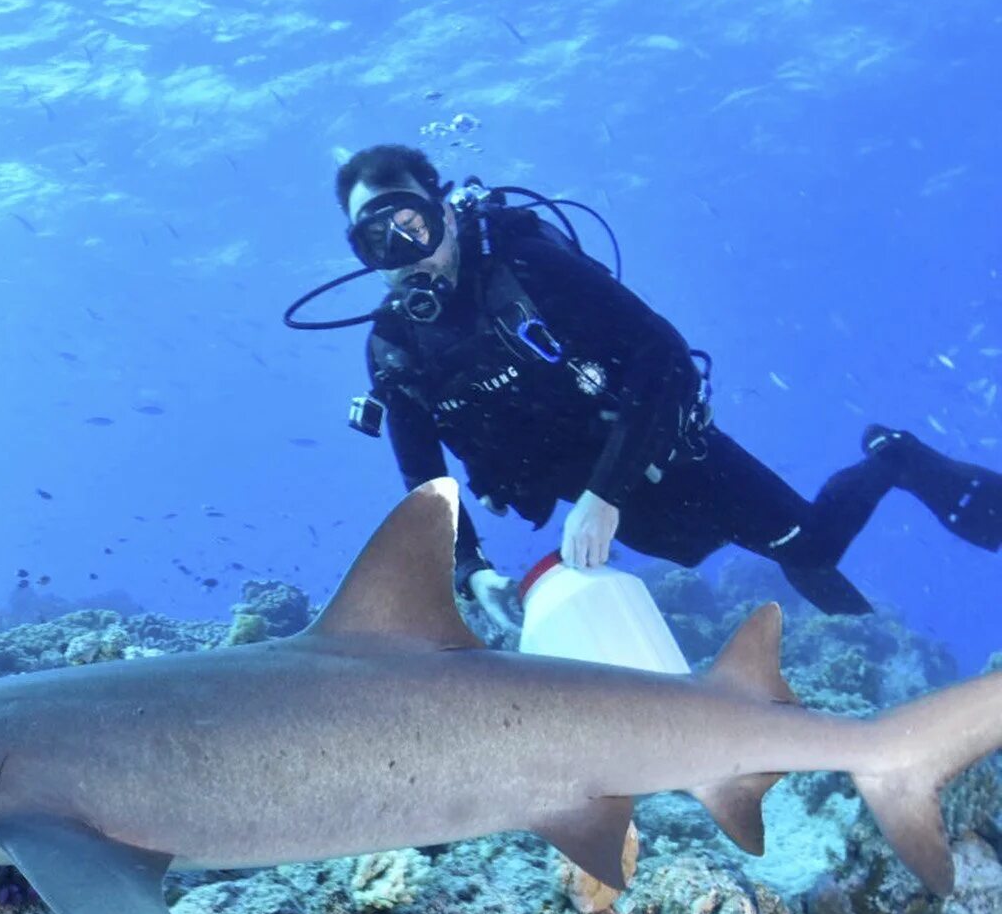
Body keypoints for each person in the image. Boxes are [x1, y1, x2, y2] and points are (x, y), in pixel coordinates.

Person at [321, 143, 1002, 631]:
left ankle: (893, 456)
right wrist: (471, 568)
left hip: (664, 450)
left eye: (410, 224)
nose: (401, 253)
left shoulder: (526, 265)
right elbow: (425, 480)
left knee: (811, 546)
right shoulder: (393, 347)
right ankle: (820, 590)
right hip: (596, 493)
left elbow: (664, 355)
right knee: (714, 550)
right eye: (376, 241)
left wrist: (604, 496)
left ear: (444, 211)